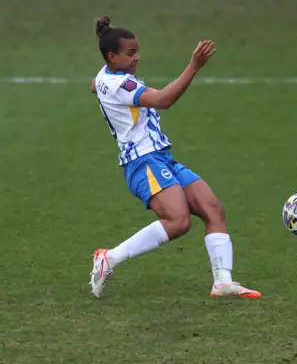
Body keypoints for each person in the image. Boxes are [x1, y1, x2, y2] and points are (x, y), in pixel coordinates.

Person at [88, 16, 261, 299]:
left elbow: (95, 85)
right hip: (143, 161)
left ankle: (223, 281)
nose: (137, 58)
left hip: (160, 157)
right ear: (112, 56)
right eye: (131, 54)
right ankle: (110, 257)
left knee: (212, 208)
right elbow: (163, 100)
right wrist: (194, 67)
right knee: (178, 221)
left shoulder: (106, 76)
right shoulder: (121, 85)